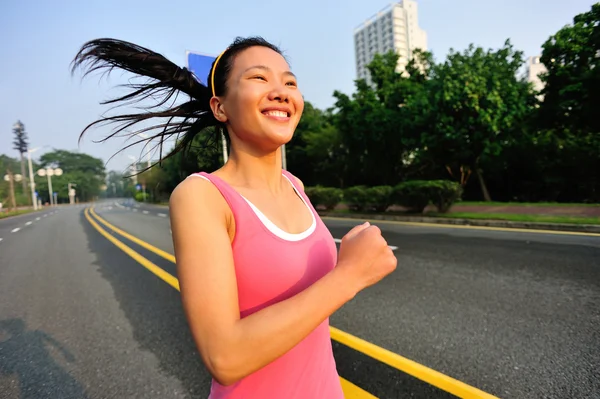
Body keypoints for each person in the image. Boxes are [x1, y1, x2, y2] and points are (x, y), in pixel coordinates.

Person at [72, 36, 397, 398]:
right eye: (259, 78)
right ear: (220, 107)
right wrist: (349, 275)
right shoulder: (202, 196)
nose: (280, 91)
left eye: (289, 82)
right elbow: (224, 358)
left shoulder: (295, 186)